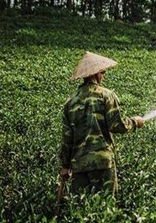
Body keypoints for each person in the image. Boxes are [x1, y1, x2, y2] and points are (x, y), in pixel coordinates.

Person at [59, 51, 145, 196]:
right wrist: (135, 122)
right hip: (102, 162)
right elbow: (116, 126)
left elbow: (67, 137)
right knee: (105, 208)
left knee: (81, 209)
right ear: (96, 73)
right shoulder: (106, 95)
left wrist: (64, 166)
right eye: (103, 72)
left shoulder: (70, 101)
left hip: (79, 164)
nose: (103, 76)